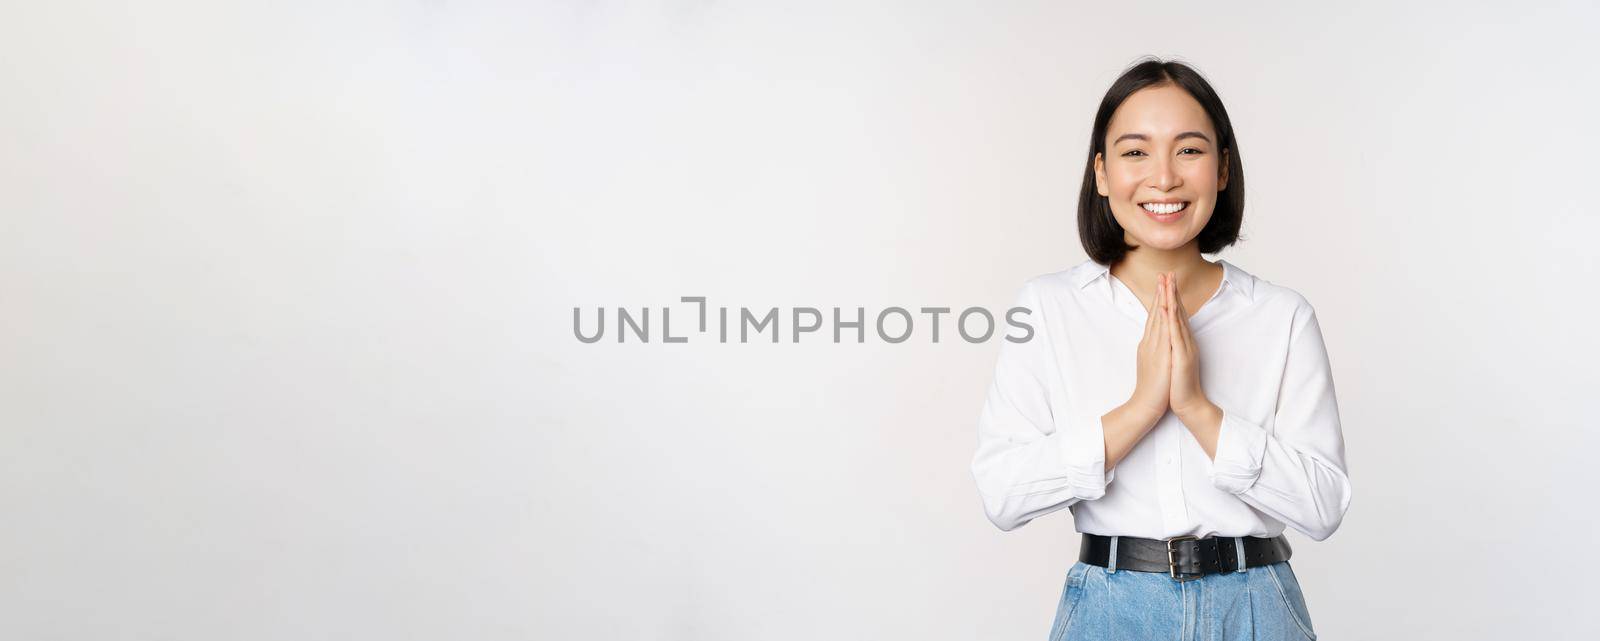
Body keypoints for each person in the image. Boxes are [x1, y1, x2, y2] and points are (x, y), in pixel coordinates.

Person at [969, 57, 1351, 641]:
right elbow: (1003, 494)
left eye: (1190, 150)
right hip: (1110, 605)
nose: (1165, 177)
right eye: (1135, 152)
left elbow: (1323, 506)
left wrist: (1199, 410)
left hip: (1255, 606)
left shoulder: (1281, 316)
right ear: (1101, 173)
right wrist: (1140, 410)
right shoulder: (1048, 308)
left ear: (1222, 169)